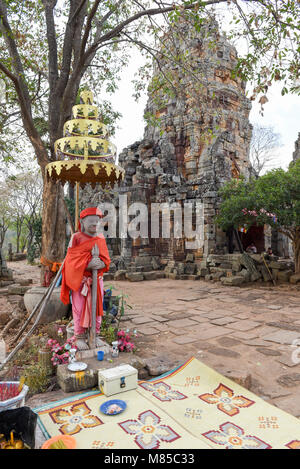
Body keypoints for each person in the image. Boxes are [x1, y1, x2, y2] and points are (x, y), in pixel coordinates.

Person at [60, 207, 110, 350]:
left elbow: (106, 260)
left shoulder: (100, 238)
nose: (95, 224)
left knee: (97, 308)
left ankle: (95, 334)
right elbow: (70, 261)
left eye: (97, 221)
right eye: (91, 221)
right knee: (79, 308)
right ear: (82, 221)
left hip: (96, 280)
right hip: (81, 281)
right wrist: (87, 265)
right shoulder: (76, 238)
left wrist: (100, 264)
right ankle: (80, 337)